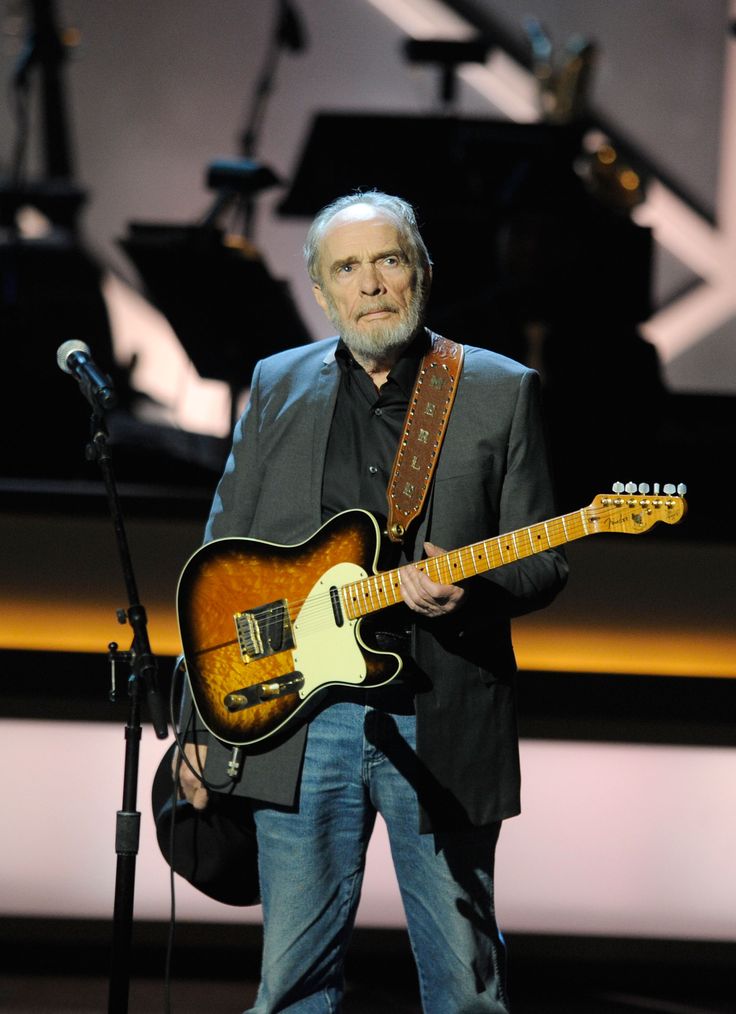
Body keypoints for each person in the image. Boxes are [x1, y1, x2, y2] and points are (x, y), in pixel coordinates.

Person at [177, 190, 568, 1013]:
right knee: (289, 989)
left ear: (421, 272)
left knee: (466, 991)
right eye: (347, 269)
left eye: (389, 260)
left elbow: (545, 561)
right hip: (297, 721)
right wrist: (197, 724)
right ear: (321, 292)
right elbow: (220, 561)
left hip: (443, 717)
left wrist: (468, 593)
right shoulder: (278, 383)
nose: (372, 283)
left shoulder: (500, 390)